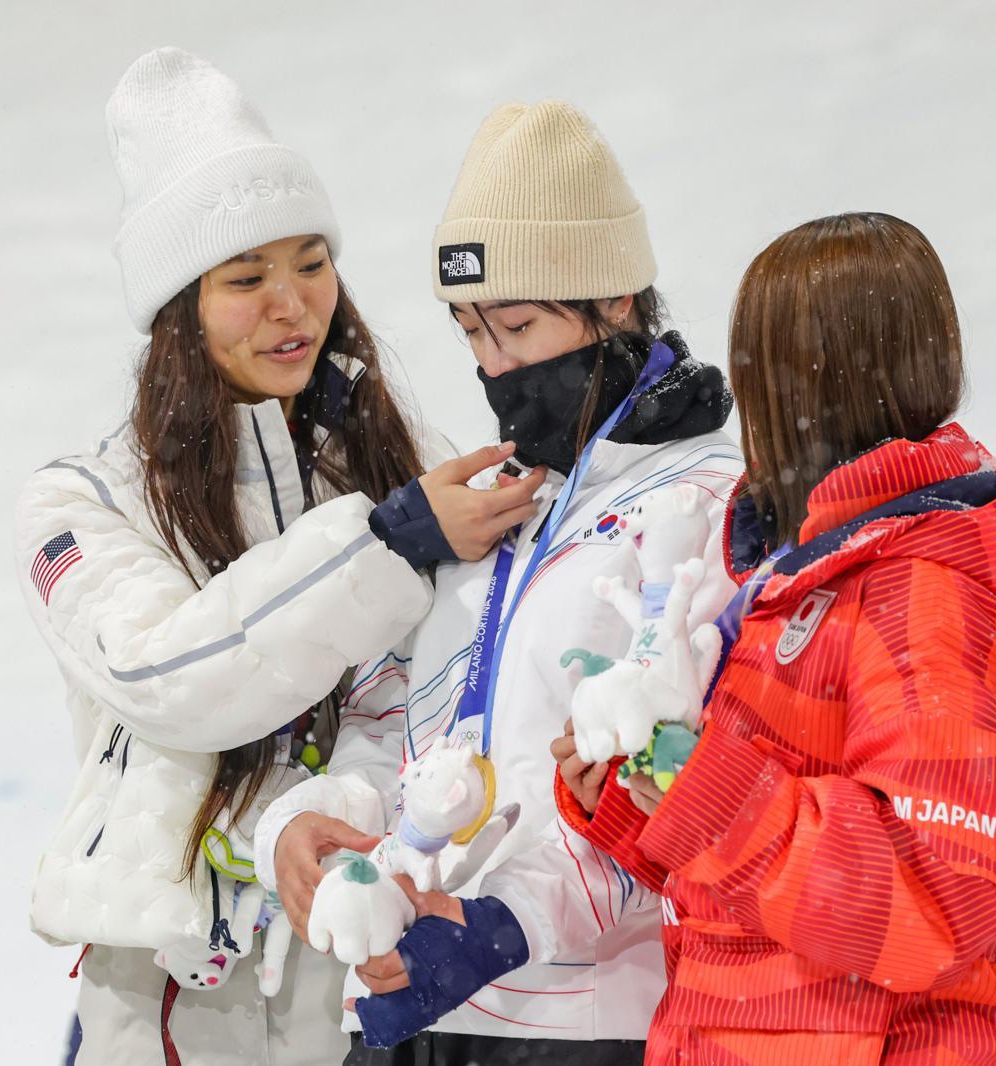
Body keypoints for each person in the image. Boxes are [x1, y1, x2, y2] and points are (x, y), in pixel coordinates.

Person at [14, 48, 541, 1066]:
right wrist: (393, 544)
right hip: (172, 1008)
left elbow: (428, 702)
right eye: (245, 277)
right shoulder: (77, 504)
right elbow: (177, 676)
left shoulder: (397, 467)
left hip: (360, 979)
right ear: (179, 314)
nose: (291, 303)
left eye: (310, 261)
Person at [553, 213, 996, 1064]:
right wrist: (640, 794)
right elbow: (769, 890)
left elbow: (933, 899)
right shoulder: (810, 578)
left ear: (799, 388)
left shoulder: (924, 599)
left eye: (759, 372)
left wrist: (700, 783)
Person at [254, 101, 743, 1065]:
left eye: (516, 326)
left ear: (613, 303)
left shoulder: (709, 503)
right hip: (407, 1007)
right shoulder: (486, 504)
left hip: (585, 1021)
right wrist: (321, 825)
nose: (492, 366)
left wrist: (501, 926)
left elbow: (691, 794)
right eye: (470, 332)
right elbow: (390, 722)